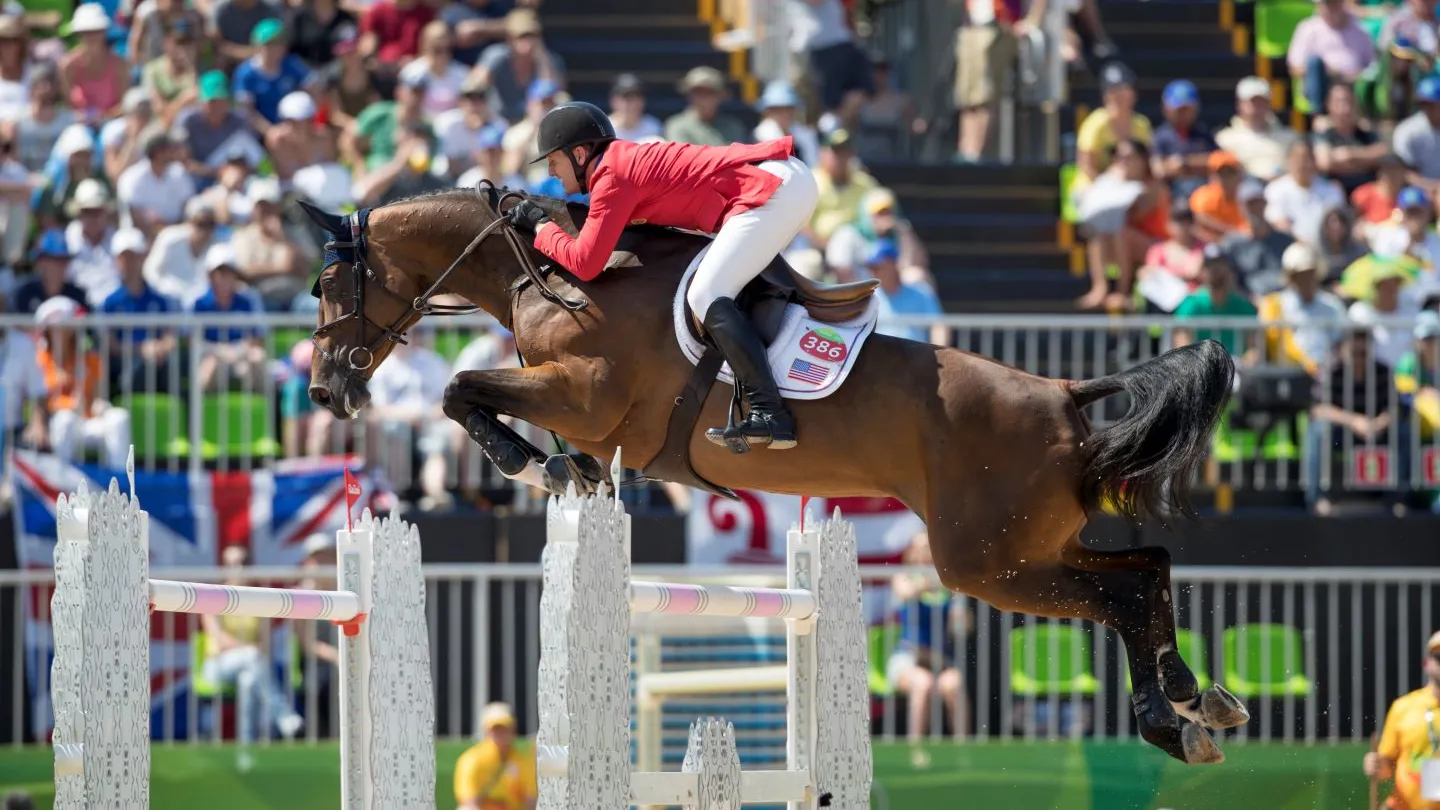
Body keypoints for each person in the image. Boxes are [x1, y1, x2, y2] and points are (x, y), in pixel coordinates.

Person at [505, 101, 816, 450]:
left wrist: (541, 227)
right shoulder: (617, 166)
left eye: (553, 160)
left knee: (707, 293)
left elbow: (586, 263)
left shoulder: (612, 175)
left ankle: (770, 412)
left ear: (579, 154)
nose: (549, 171)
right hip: (776, 182)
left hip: (772, 188)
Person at [200, 544, 303, 772]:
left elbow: (265, 643)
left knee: (248, 681)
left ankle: (245, 754)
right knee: (252, 658)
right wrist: (249, 649)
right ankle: (283, 714)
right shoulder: (212, 597)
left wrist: (250, 651)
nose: (238, 569)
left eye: (243, 563)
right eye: (232, 564)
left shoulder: (258, 599)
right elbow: (219, 641)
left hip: (250, 666)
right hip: (216, 667)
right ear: (224, 567)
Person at [887, 531, 969, 758]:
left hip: (939, 659)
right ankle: (916, 752)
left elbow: (963, 626)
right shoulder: (902, 576)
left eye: (929, 547)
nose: (925, 552)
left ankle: (963, 754)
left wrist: (960, 615)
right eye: (920, 547)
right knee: (922, 684)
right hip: (907, 658)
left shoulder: (947, 584)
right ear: (911, 551)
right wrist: (932, 581)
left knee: (954, 684)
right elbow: (904, 593)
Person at [33, 295, 131, 467]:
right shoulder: (38, 361)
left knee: (119, 417)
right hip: (57, 424)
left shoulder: (91, 359)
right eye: (64, 326)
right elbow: (38, 402)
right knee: (65, 419)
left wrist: (100, 404)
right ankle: (60, 484)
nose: (70, 331)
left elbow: (99, 397)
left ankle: (120, 483)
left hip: (88, 422)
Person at [1364, 630, 1440, 807]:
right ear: (1426, 663)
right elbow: (1387, 766)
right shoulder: (1404, 707)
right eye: (1439, 657)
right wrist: (1376, 765)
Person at [1286, 0, 1375, 111]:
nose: (1331, 8)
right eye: (1326, 4)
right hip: (1323, 85)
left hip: (1353, 84)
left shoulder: (1360, 29)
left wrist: (1354, 75)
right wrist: (1327, 70)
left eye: (1334, 3)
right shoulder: (1307, 28)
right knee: (1315, 63)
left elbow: (1372, 65)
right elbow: (1295, 68)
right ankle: (1319, 113)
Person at [1171, 245, 1258, 358]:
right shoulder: (1190, 304)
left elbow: (1254, 348)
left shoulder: (1244, 306)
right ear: (1203, 271)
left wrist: (1242, 365)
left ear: (1229, 270)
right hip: (1200, 371)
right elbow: (1182, 345)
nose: (1216, 271)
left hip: (1237, 371)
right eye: (1210, 266)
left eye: (1221, 265)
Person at [453, 702, 537, 810]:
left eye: (505, 728)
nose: (500, 733)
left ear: (513, 730)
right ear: (486, 731)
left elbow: (530, 800)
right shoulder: (471, 760)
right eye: (495, 729)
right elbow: (468, 802)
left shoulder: (521, 761)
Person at [1151, 79, 1218, 200]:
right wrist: (1198, 166)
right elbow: (1158, 169)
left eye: (1187, 109)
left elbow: (1216, 162)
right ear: (1166, 109)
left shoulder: (1204, 134)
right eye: (1179, 109)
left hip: (1204, 193)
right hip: (1173, 196)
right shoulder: (1160, 135)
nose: (1183, 114)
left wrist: (1184, 163)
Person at [663, 66, 748, 147]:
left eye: (709, 92)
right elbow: (683, 158)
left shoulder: (733, 126)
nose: (703, 98)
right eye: (697, 92)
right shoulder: (677, 126)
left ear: (720, 95)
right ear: (689, 95)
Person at [607, 73, 661, 143]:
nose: (631, 104)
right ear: (613, 101)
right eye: (626, 97)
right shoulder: (604, 129)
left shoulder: (654, 127)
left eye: (636, 97)